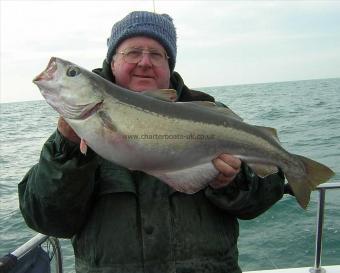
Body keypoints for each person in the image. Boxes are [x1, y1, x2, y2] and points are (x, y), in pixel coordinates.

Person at [18, 11, 287, 273]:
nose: (145, 62)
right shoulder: (74, 132)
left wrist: (231, 182)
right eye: (133, 52)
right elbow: (47, 219)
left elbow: (266, 193)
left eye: (156, 54)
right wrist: (67, 149)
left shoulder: (210, 115)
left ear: (169, 65)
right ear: (112, 62)